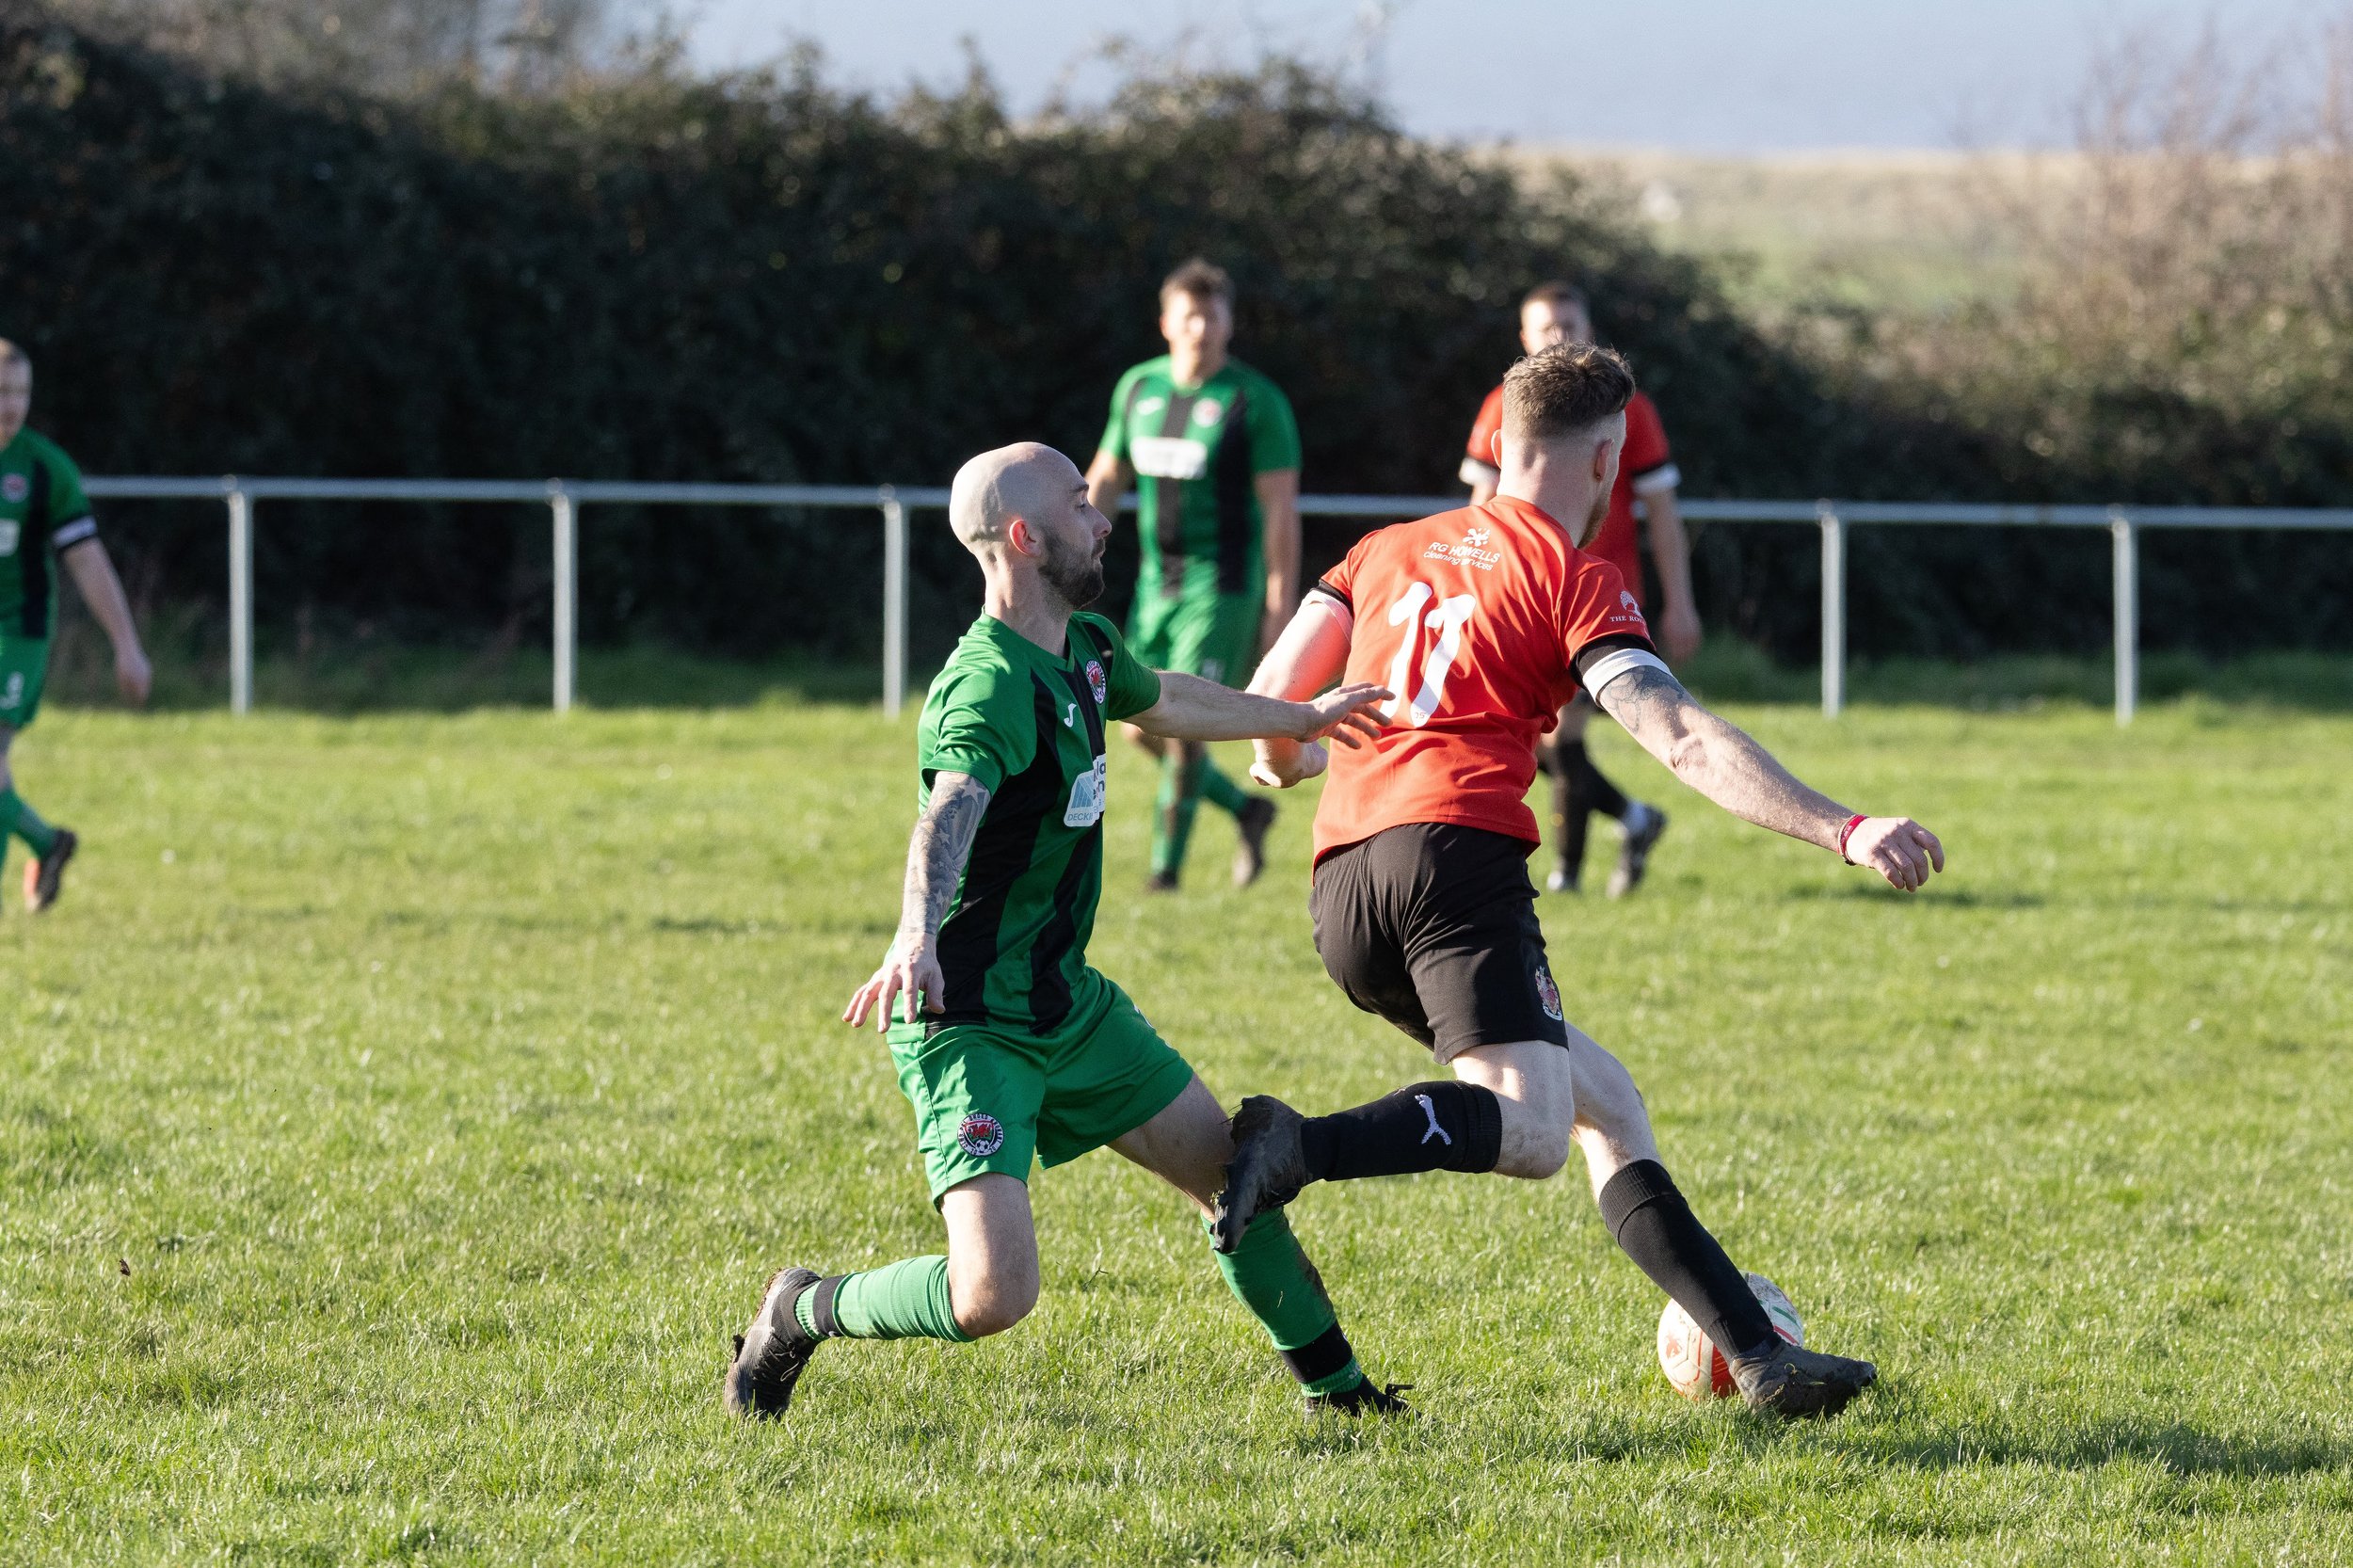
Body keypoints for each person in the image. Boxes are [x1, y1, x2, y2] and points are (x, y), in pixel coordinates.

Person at [1218, 344, 1945, 1418]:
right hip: (1454, 862)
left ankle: (1760, 1358)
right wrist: (1841, 826)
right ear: (1606, 457)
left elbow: (1270, 716)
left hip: (1340, 892)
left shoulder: (1380, 550)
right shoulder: (1573, 574)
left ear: (1503, 441)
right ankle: (1299, 1144)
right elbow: (1679, 737)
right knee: (1524, 1129)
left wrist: (1313, 758)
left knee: (1603, 1104)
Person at [723, 442, 1405, 1421]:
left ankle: (1341, 1398)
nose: (1103, 519)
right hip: (968, 1022)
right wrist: (913, 933)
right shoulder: (986, 684)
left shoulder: (1082, 645)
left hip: (1068, 1006)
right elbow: (948, 810)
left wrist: (1299, 712)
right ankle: (801, 1308)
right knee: (990, 1295)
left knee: (1238, 1180)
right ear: (1022, 537)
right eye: (1082, 505)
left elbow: (1166, 694)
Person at [1462, 282, 1698, 896]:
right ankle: (1634, 818)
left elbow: (1663, 513)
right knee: (1535, 738)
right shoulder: (1503, 405)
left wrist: (1680, 602)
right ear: (1524, 340)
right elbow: (1479, 508)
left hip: (1594, 597)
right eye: (1545, 328)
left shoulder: (1627, 410)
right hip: (1519, 595)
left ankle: (1566, 876)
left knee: (1562, 734)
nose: (1558, 338)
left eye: (1568, 324)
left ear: (1589, 327)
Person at [1085, 260, 1302, 891]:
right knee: (1136, 727)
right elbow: (1106, 478)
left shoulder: (1255, 402)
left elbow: (1280, 512)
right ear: (1166, 324)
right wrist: (1064, 552)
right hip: (1159, 583)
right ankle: (1248, 810)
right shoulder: (1138, 390)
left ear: (1230, 322)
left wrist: (1277, 606)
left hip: (1222, 586)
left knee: (1182, 730)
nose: (1202, 327)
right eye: (1190, 315)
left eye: (1214, 314)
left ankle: (1164, 874)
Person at [0, 340, 152, 912]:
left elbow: (86, 559)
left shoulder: (44, 469)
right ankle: (47, 841)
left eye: (19, 393)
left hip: (17, 631)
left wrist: (127, 646)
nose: (9, 406)